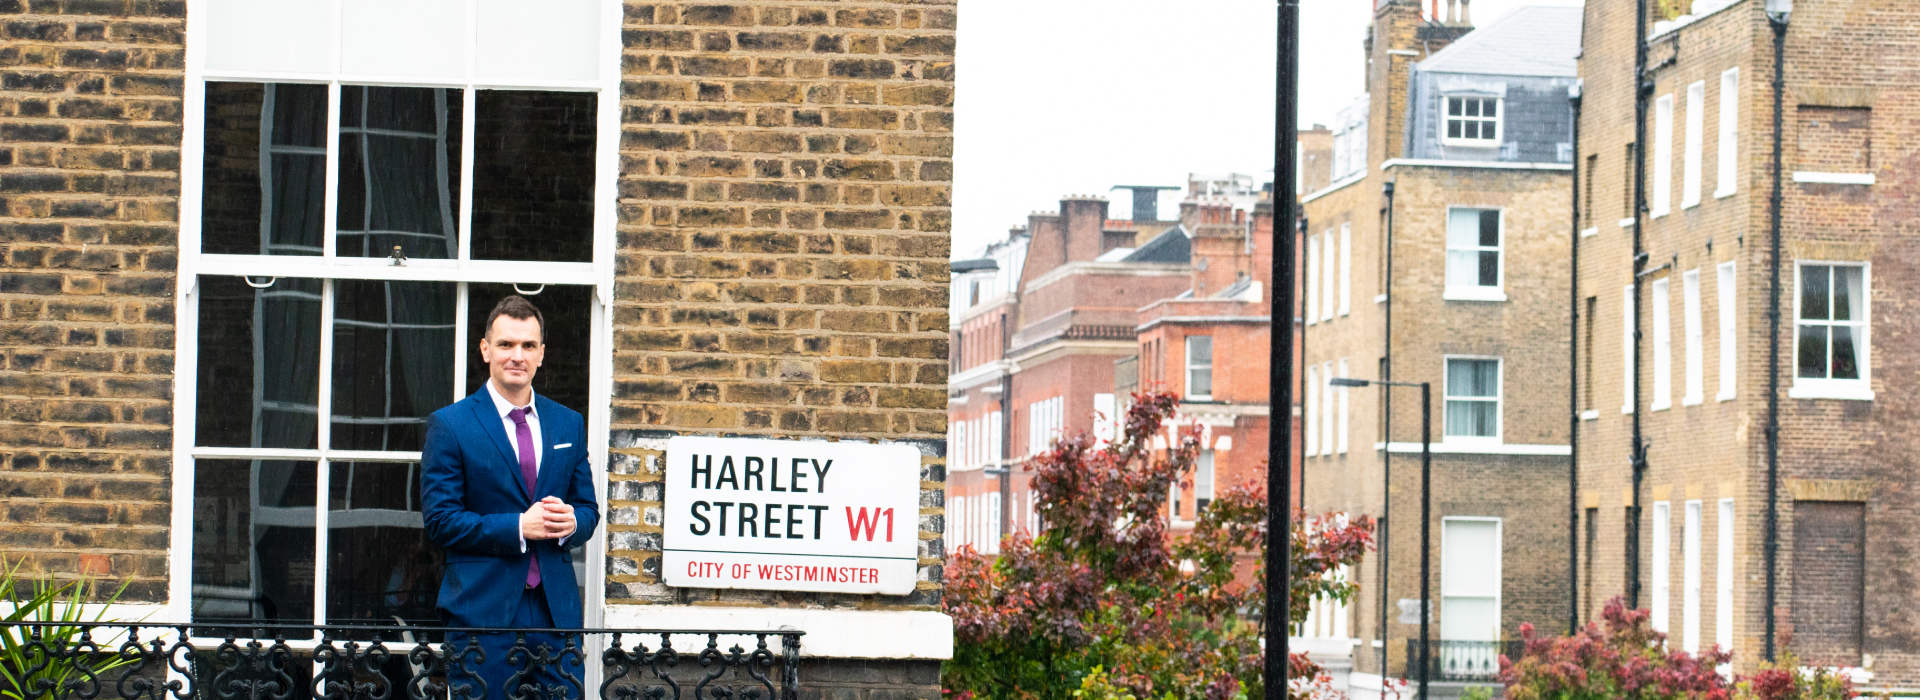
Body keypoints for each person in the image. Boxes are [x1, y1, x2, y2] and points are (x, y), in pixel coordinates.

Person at [421, 295, 600, 699]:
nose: (516, 355)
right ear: (485, 350)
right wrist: (520, 526)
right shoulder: (450, 425)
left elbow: (588, 508)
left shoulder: (568, 422)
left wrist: (573, 522)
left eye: (527, 346)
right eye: (506, 345)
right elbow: (440, 520)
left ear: (541, 354)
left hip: (556, 615)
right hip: (482, 614)